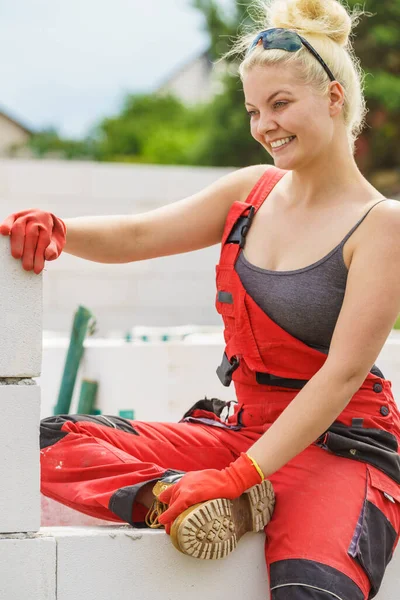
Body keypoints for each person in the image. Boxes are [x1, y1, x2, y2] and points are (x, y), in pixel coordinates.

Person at [2, 0, 400, 597]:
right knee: (38, 443)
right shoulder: (251, 192)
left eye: (281, 104)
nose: (265, 125)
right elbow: (139, 235)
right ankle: (180, 500)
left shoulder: (382, 225)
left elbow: (340, 376)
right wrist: (60, 229)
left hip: (338, 448)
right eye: (253, 110)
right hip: (242, 433)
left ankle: (231, 495)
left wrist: (234, 476)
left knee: (311, 593)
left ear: (335, 97)